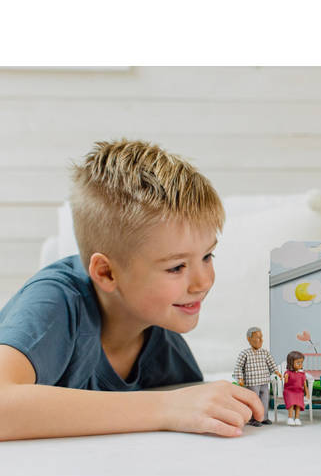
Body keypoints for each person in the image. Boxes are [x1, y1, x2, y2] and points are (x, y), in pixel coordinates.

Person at [0, 140, 263, 440]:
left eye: (207, 256)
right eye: (176, 267)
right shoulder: (56, 302)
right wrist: (167, 407)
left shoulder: (168, 351)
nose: (203, 282)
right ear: (106, 272)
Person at [233, 327, 282, 426]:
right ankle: (253, 419)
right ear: (249, 339)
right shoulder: (245, 353)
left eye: (261, 337)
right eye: (257, 337)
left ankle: (264, 417)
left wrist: (276, 371)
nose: (261, 340)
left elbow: (271, 363)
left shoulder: (264, 352)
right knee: (253, 401)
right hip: (252, 382)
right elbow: (238, 367)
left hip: (264, 380)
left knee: (264, 399)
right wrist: (240, 378)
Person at [282, 350, 309, 426]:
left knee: (298, 404)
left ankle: (297, 418)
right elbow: (286, 381)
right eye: (298, 362)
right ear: (291, 363)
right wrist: (285, 377)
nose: (300, 364)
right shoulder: (288, 373)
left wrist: (307, 393)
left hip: (299, 392)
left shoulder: (302, 374)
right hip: (289, 391)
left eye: (301, 362)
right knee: (291, 403)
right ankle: (290, 418)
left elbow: (304, 385)